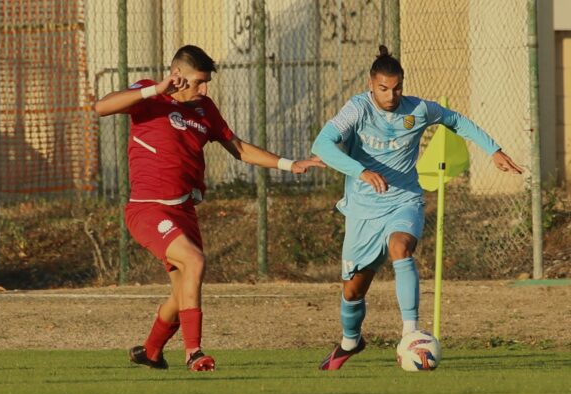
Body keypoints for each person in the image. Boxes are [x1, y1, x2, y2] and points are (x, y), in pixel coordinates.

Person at [94, 45, 325, 372]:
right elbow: (101, 107)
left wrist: (290, 164)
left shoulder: (204, 109)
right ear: (177, 76)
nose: (203, 89)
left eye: (206, 83)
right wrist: (155, 89)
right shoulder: (151, 96)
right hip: (148, 210)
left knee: (182, 291)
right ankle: (193, 351)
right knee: (194, 260)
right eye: (198, 82)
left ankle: (152, 351)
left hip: (184, 211)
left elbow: (240, 148)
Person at [311, 45, 523, 370]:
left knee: (401, 248)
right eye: (383, 89)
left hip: (404, 200)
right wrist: (362, 171)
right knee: (353, 291)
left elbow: (456, 120)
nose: (391, 95)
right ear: (371, 84)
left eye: (397, 88)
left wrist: (493, 150)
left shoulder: (418, 110)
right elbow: (322, 145)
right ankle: (351, 341)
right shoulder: (357, 110)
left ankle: (410, 333)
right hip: (363, 210)